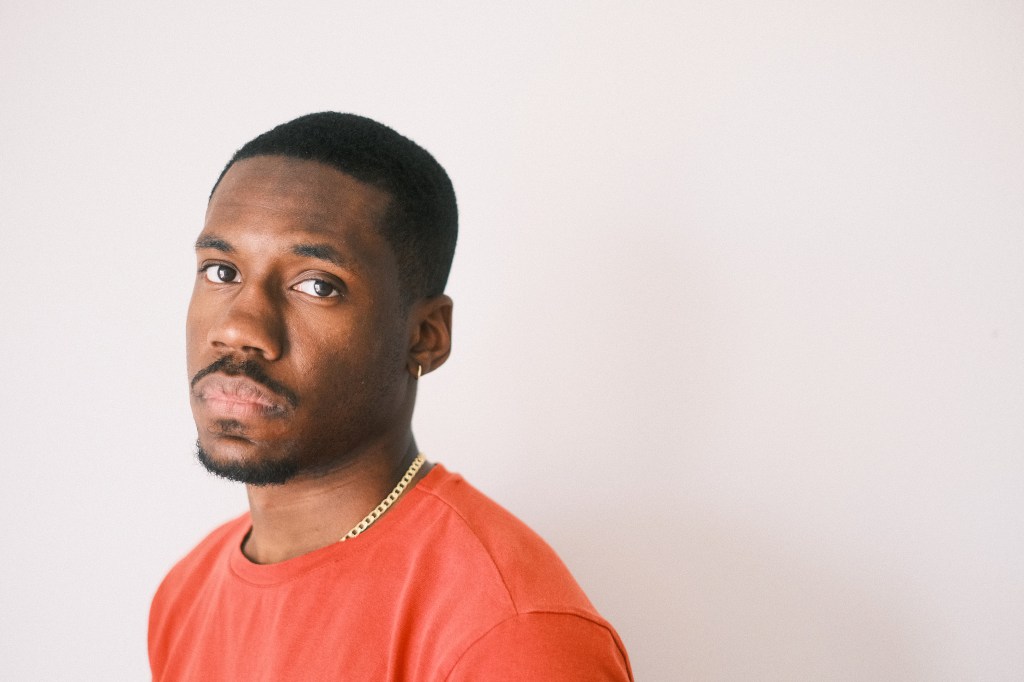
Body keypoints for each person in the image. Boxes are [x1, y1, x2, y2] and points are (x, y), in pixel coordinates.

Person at [148, 112, 633, 681]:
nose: (239, 328)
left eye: (317, 285)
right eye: (221, 271)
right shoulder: (184, 594)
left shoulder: (512, 633)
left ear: (425, 336)